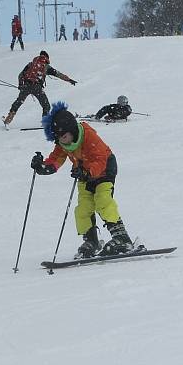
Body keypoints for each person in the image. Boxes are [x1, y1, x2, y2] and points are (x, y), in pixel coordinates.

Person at [30, 102, 135, 259]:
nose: (62, 141)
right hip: (82, 174)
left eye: (64, 137)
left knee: (103, 201)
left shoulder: (88, 136)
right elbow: (57, 158)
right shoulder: (63, 142)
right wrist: (44, 167)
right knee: (83, 209)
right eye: (58, 138)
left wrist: (87, 171)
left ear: (72, 131)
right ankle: (91, 241)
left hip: (104, 170)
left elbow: (100, 159)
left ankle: (122, 239)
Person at [2, 51, 76, 125]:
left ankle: (8, 119)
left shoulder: (31, 64)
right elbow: (58, 74)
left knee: (18, 102)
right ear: (47, 57)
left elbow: (20, 75)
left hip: (26, 86)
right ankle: (45, 122)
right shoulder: (46, 66)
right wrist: (69, 80)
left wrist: (21, 85)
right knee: (46, 105)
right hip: (37, 87)